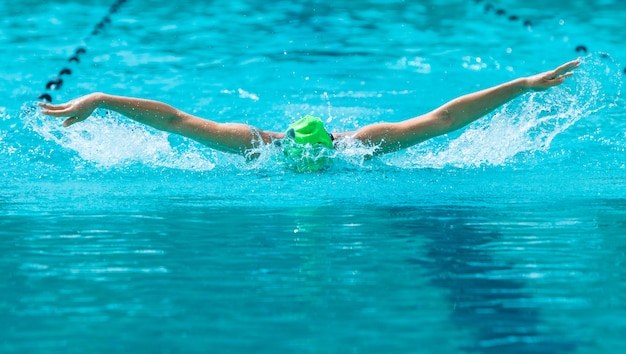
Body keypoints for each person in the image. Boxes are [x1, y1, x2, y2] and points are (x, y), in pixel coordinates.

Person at [39, 59, 580, 158]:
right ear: (290, 145)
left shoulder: (361, 145)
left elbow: (443, 119)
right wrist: (102, 98)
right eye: (308, 153)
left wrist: (523, 84)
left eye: (320, 152)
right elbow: (177, 121)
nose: (314, 160)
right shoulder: (256, 146)